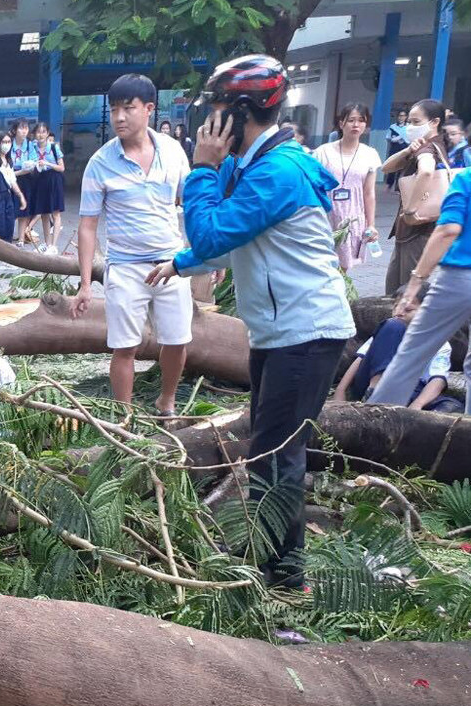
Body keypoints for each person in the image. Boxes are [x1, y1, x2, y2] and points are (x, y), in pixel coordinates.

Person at [147, 54, 355, 589]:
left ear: (241, 112)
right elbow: (229, 242)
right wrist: (180, 263)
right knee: (274, 452)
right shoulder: (264, 165)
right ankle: (272, 560)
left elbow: (215, 233)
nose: (208, 124)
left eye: (216, 110)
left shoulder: (276, 171)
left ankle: (280, 578)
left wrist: (201, 169)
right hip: (284, 332)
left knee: (274, 456)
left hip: (303, 333)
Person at [73, 73, 194, 416]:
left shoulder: (173, 152)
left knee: (177, 340)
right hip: (125, 267)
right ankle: (123, 421)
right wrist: (84, 285)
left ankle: (166, 403)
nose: (119, 117)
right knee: (125, 347)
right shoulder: (100, 163)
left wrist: (203, 257)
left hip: (173, 264)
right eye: (114, 110)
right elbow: (87, 225)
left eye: (128, 108)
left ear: (149, 109)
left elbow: (193, 204)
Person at [368, 163, 471, 415]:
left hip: (460, 276)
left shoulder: (466, 178)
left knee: (412, 354)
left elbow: (448, 230)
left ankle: (375, 427)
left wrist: (415, 282)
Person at [334, 284, 461, 413]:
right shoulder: (389, 328)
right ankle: (375, 393)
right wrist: (340, 390)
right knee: (393, 325)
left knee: (452, 405)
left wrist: (417, 405)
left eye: (408, 309)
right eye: (396, 307)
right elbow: (360, 359)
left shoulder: (439, 342)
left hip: (408, 387)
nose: (399, 312)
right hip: (371, 383)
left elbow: (437, 380)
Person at [381, 99, 451, 296]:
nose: (410, 126)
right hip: (410, 232)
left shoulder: (428, 148)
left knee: (407, 295)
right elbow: (386, 167)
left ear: (434, 122)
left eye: (416, 122)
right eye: (409, 122)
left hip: (418, 231)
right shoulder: (427, 145)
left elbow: (426, 172)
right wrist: (408, 149)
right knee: (396, 290)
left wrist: (410, 210)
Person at [313, 103, 382, 271]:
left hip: (353, 218)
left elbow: (369, 192)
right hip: (326, 216)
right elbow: (314, 186)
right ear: (341, 123)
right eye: (351, 120)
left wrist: (370, 224)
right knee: (322, 265)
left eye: (361, 120)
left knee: (344, 267)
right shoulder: (323, 152)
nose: (356, 125)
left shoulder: (370, 154)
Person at [29, 122, 66, 253]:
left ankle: (54, 246)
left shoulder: (54, 148)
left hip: (54, 180)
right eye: (38, 132)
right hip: (40, 180)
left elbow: (62, 168)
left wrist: (47, 163)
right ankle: (47, 243)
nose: (41, 134)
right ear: (34, 134)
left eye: (43, 131)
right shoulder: (32, 147)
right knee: (44, 213)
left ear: (48, 133)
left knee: (55, 213)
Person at [0, 132, 28, 243]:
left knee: (9, 226)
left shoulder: (9, 161)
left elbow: (13, 181)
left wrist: (21, 196)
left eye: (8, 142)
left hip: (8, 197)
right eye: (4, 142)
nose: (6, 144)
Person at [10, 118, 39, 247]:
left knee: (24, 209)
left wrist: (13, 174)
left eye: (26, 128)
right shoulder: (9, 143)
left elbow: (31, 166)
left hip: (24, 179)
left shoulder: (30, 145)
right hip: (10, 178)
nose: (24, 131)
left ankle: (21, 239)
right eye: (21, 128)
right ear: (15, 130)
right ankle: (7, 236)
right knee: (10, 208)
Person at [385, 109, 409, 189]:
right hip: (394, 149)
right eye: (400, 116)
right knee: (392, 166)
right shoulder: (393, 127)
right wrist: (395, 139)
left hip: (405, 149)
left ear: (406, 117)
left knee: (402, 168)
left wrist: (401, 138)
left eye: (403, 116)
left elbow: (410, 139)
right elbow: (388, 137)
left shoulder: (409, 127)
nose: (401, 118)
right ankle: (389, 184)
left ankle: (398, 187)